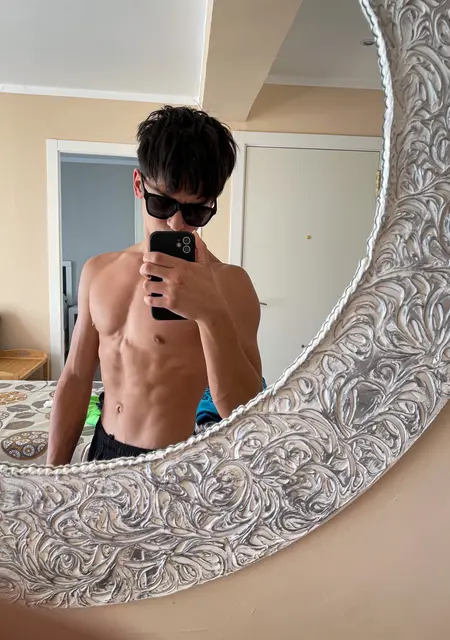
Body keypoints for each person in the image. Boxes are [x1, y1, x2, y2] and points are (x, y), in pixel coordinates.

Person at [47, 106, 262, 465]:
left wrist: (212, 314)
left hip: (172, 464)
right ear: (138, 185)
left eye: (195, 212)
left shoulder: (230, 284)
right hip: (103, 450)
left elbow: (245, 412)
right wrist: (55, 473)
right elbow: (76, 377)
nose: (177, 223)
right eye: (162, 203)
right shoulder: (98, 271)